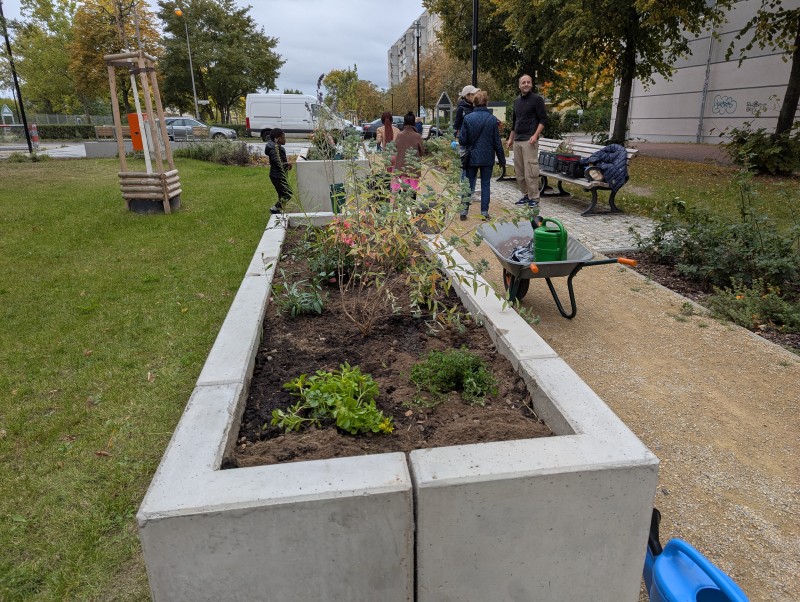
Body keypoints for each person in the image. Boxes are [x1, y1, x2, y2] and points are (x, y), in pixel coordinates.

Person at [458, 91, 505, 220]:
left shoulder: (468, 118)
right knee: (485, 185)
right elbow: (497, 142)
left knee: (468, 184)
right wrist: (502, 160)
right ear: (486, 102)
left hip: (472, 156)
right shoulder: (492, 119)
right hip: (487, 157)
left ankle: (464, 212)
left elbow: (462, 140)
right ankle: (484, 213)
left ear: (474, 102)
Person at [506, 74, 547, 208]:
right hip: (517, 141)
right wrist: (510, 138)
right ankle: (525, 195)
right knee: (519, 172)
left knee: (530, 171)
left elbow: (543, 120)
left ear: (531, 84)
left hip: (529, 141)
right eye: (523, 82)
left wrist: (535, 136)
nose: (526, 84)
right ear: (519, 85)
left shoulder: (537, 100)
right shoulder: (516, 102)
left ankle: (534, 197)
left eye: (528, 82)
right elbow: (514, 122)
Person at [391, 113, 425, 193]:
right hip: (413, 168)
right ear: (414, 122)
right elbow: (422, 151)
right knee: (413, 189)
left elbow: (394, 149)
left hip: (400, 167)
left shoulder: (399, 135)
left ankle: (400, 204)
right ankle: (412, 205)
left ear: (404, 122)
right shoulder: (417, 136)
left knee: (400, 189)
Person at [264, 128, 292, 214]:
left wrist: (286, 165)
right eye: (284, 137)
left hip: (279, 175)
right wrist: (286, 164)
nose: (285, 139)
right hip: (277, 176)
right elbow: (277, 162)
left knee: (282, 193)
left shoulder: (277, 148)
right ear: (279, 139)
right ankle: (275, 209)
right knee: (288, 193)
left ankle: (279, 210)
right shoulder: (274, 149)